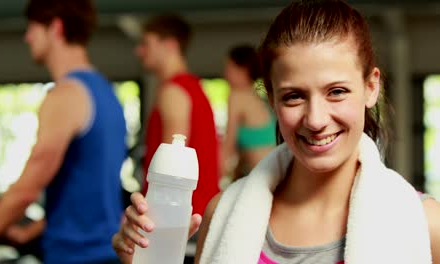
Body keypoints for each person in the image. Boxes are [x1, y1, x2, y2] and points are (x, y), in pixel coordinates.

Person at [112, 0, 440, 263]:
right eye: (294, 96)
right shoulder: (222, 213)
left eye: (337, 91)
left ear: (371, 87)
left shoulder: (426, 224)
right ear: (271, 99)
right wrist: (141, 259)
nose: (315, 119)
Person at [0, 0, 127, 263]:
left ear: (55, 28)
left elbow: (27, 189)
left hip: (76, 256)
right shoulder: (107, 94)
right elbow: (89, 189)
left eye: (32, 28)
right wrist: (29, 231)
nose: (27, 37)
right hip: (105, 251)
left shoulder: (66, 95)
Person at [135, 15, 220, 216]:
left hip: (182, 218)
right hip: (197, 212)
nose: (139, 51)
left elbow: (171, 168)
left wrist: (152, 217)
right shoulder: (194, 88)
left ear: (170, 45)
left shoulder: (173, 91)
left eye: (146, 43)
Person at [221, 44, 275, 183]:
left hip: (263, 179)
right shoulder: (258, 98)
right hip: (274, 173)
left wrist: (215, 177)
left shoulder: (237, 96)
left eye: (229, 68)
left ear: (243, 69)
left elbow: (229, 144)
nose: (225, 74)